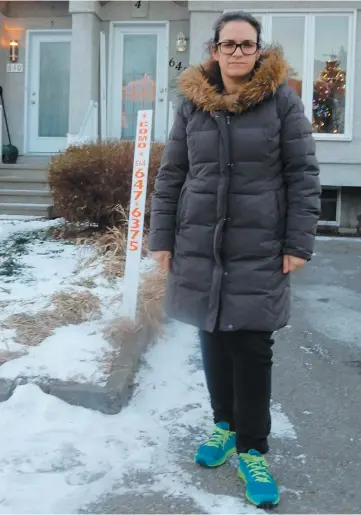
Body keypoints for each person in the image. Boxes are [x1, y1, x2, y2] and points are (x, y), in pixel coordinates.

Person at [149, 10, 321, 509]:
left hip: (259, 245)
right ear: (215, 50)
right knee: (211, 335)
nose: (238, 53)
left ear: (259, 49)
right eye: (230, 45)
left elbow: (303, 176)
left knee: (251, 345)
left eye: (247, 45)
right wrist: (162, 239)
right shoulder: (192, 106)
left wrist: (297, 243)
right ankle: (224, 424)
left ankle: (253, 448)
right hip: (200, 243)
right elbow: (172, 174)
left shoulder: (282, 102)